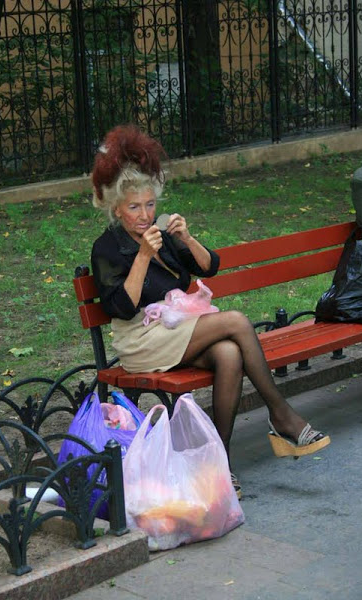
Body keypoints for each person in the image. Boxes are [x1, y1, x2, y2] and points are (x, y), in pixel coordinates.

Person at [90, 124, 330, 499]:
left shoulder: (162, 234)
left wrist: (185, 237)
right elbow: (120, 306)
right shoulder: (107, 248)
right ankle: (281, 415)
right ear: (116, 207)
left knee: (230, 353)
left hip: (175, 329)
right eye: (134, 207)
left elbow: (209, 266)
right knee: (235, 321)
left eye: (150, 204)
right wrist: (143, 256)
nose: (144, 214)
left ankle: (219, 464)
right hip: (141, 340)